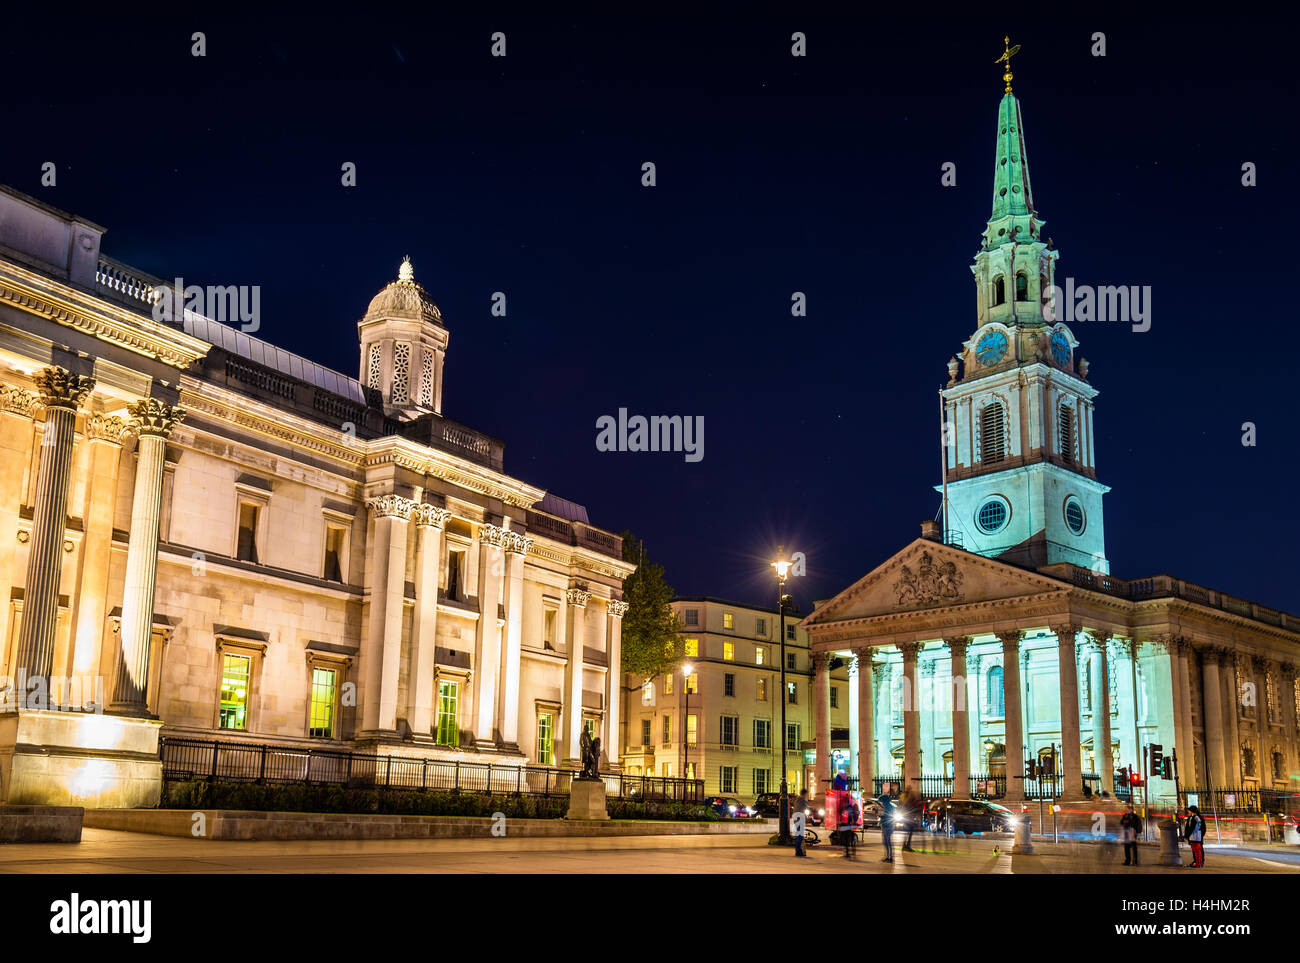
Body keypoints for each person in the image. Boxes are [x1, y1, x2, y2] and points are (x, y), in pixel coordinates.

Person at [791, 789, 809, 858]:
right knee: (800, 836)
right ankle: (798, 851)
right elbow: (805, 808)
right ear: (804, 794)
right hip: (799, 818)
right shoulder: (801, 800)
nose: (807, 795)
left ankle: (799, 850)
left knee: (799, 835)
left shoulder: (798, 799)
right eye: (806, 794)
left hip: (797, 818)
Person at [878, 791, 895, 862]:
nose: (881, 803)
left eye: (882, 802)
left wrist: (880, 815)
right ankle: (888, 856)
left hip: (887, 826)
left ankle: (889, 857)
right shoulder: (890, 806)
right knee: (887, 841)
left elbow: (886, 816)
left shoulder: (887, 807)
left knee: (886, 841)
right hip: (889, 826)